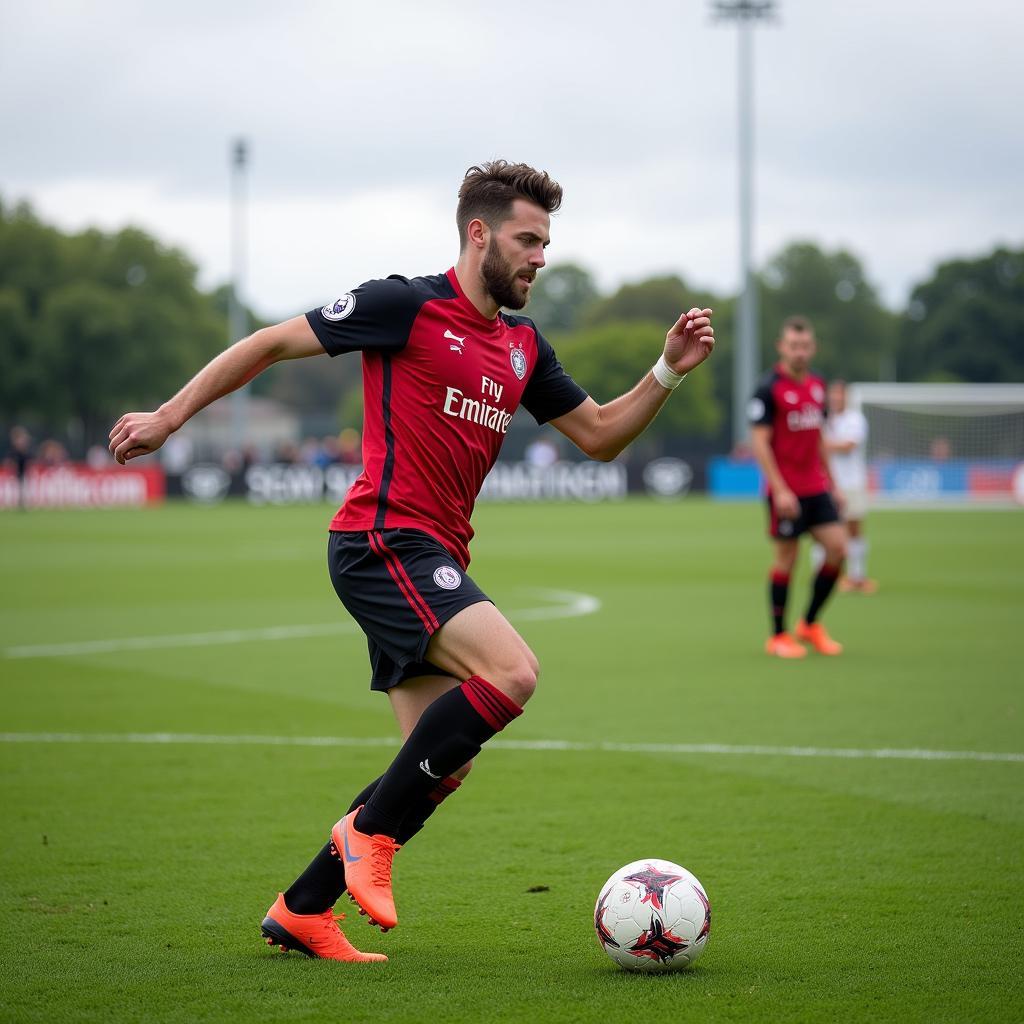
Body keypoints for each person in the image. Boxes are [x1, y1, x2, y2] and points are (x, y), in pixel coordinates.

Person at [108, 160, 716, 963]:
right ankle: (368, 835)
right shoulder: (406, 305)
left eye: (545, 243)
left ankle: (302, 909)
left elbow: (600, 435)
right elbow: (268, 343)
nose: (540, 257)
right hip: (382, 539)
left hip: (432, 552)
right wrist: (169, 417)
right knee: (515, 674)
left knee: (438, 764)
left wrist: (667, 370)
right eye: (527, 240)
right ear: (478, 234)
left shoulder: (525, 346)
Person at [749, 316, 846, 659]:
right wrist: (780, 489)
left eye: (805, 346)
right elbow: (760, 443)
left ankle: (809, 623)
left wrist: (833, 484)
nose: (800, 352)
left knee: (838, 548)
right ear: (782, 347)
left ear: (812, 348)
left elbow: (819, 437)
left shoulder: (818, 386)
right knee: (786, 559)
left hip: (816, 487)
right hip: (785, 490)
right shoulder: (768, 388)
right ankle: (778, 636)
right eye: (793, 346)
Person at [823, 380, 877, 593]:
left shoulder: (855, 419)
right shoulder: (823, 418)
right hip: (827, 482)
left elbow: (848, 446)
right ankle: (827, 575)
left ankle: (857, 576)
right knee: (825, 530)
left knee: (854, 529)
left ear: (846, 397)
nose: (836, 398)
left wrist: (820, 443)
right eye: (833, 394)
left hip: (852, 482)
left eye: (840, 394)